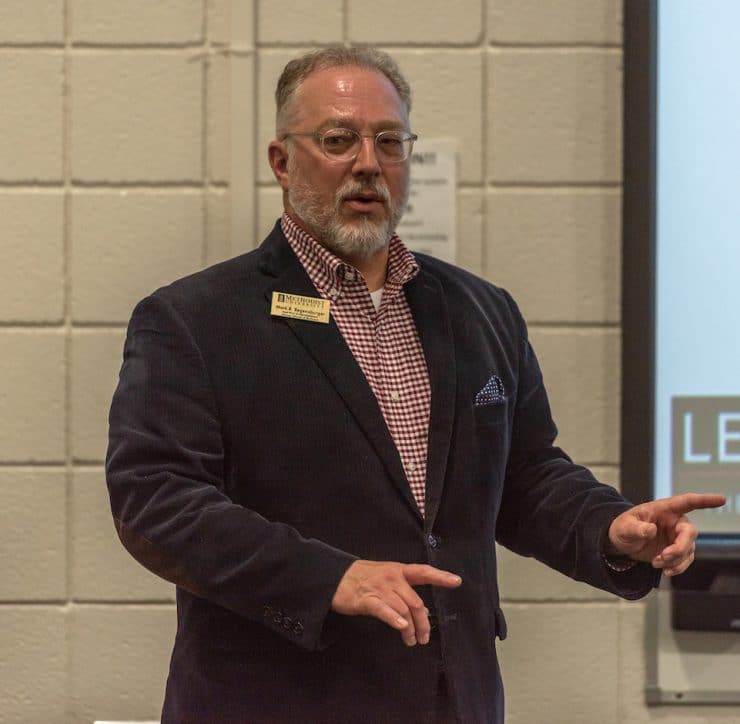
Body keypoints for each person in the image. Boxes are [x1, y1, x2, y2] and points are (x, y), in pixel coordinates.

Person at [106, 46, 725, 723]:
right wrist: (328, 577)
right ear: (282, 161)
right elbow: (157, 502)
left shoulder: (480, 310)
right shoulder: (195, 320)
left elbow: (525, 476)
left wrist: (609, 528)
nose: (368, 162)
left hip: (452, 698)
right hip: (277, 700)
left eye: (389, 141)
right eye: (338, 140)